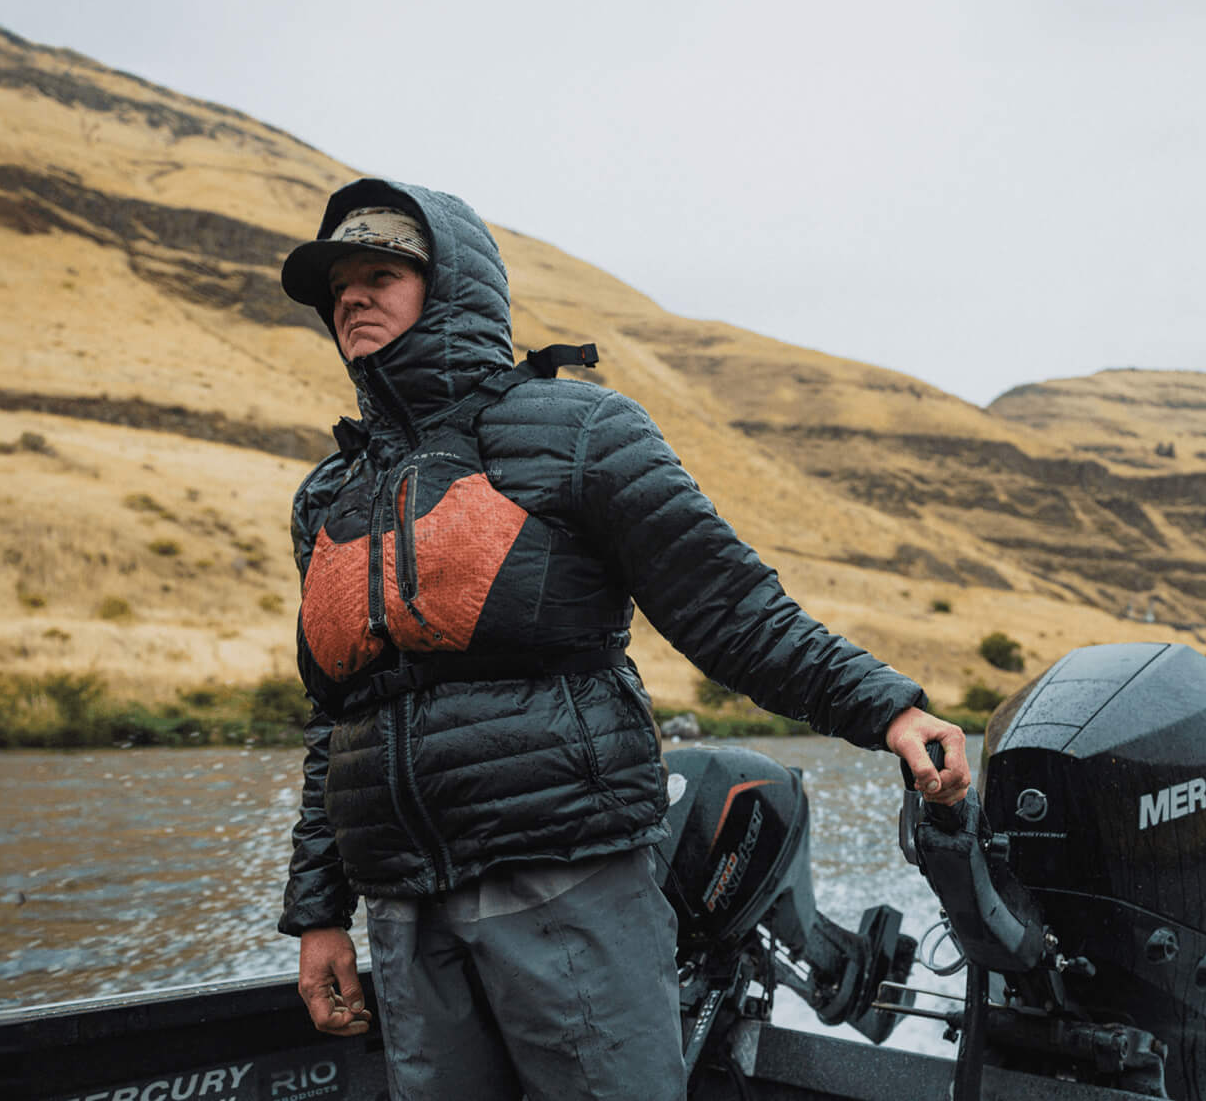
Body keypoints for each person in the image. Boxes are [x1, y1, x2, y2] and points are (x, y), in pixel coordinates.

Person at [276, 179, 969, 1101]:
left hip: (566, 880)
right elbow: (338, 724)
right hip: (405, 912)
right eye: (338, 286)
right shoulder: (330, 497)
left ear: (451, 290)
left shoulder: (581, 433)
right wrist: (320, 913)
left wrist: (885, 707)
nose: (351, 297)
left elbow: (731, 610)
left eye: (381, 273)